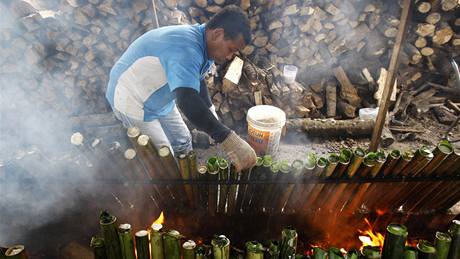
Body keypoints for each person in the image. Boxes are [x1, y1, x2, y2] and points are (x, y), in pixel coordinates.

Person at [105, 5, 256, 171]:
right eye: (230, 49)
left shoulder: (204, 42)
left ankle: (185, 175)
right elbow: (186, 100)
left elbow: (197, 80)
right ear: (218, 34)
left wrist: (210, 111)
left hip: (158, 95)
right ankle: (169, 183)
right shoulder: (187, 48)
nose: (228, 56)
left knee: (183, 140)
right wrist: (228, 139)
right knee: (163, 156)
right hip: (130, 98)